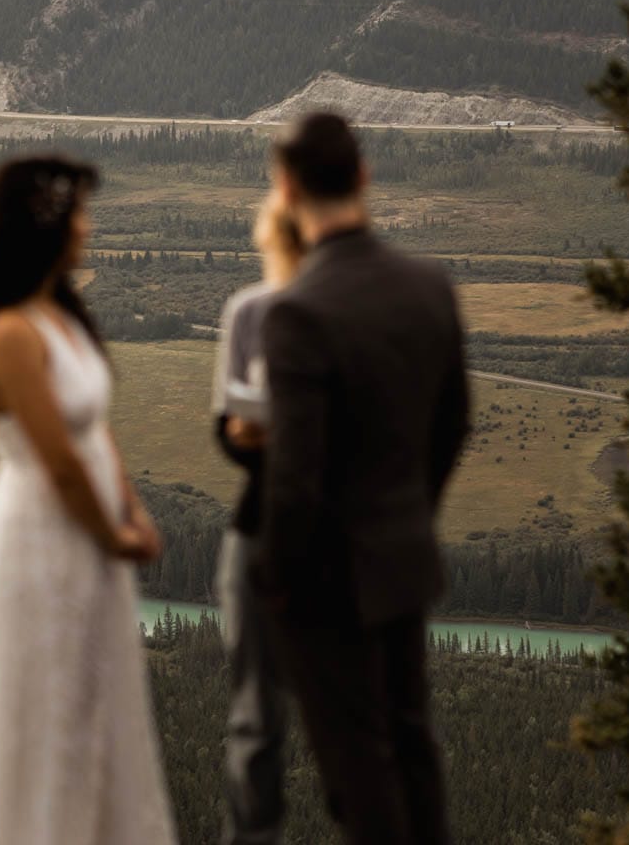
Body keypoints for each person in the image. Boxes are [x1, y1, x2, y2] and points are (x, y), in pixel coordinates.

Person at [0, 156, 177, 845]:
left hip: (89, 532)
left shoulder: (60, 316)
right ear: (42, 229)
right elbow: (60, 465)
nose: (88, 225)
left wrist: (131, 512)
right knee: (46, 707)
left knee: (97, 699)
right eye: (76, 213)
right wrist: (114, 537)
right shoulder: (10, 333)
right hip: (41, 538)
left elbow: (95, 435)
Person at [257, 113, 470, 845]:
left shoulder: (297, 313)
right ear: (364, 175)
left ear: (286, 188)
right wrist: (410, 514)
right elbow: (453, 427)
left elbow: (294, 480)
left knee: (358, 773)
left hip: (327, 585)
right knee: (412, 743)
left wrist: (276, 583)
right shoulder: (429, 286)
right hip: (403, 561)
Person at [210, 193, 307, 845]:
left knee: (346, 724)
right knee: (256, 720)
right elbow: (226, 431)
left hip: (331, 536)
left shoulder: (349, 316)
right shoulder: (247, 311)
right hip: (261, 525)